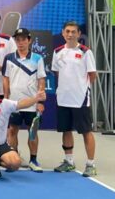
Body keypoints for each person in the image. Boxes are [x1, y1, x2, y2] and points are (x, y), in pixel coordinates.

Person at [51, 21, 97, 177]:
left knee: (86, 131)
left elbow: (92, 75)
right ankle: (69, 161)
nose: (70, 34)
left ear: (78, 34)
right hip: (63, 98)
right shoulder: (57, 52)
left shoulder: (86, 52)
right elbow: (57, 73)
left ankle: (91, 164)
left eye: (73, 32)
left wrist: (82, 88)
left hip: (80, 99)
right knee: (66, 130)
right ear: (63, 33)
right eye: (67, 31)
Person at [3, 27, 46, 172]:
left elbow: (41, 80)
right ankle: (14, 158)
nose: (20, 42)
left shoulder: (37, 58)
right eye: (18, 40)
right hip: (14, 103)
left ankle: (33, 160)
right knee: (12, 131)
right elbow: (5, 80)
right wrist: (6, 100)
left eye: (23, 40)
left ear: (29, 40)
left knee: (32, 132)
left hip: (32, 103)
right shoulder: (9, 58)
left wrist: (40, 101)